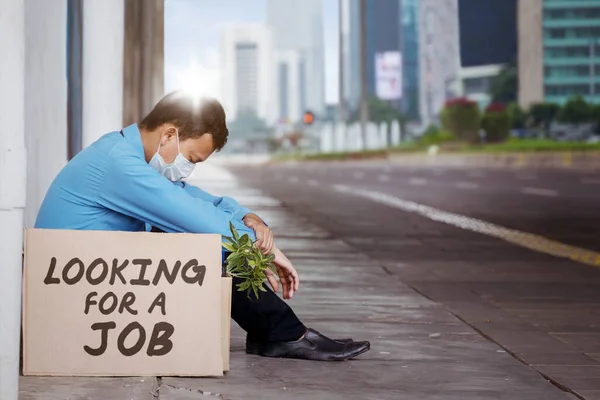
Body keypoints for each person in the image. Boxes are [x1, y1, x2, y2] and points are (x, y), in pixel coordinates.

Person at [35, 91, 370, 362]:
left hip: (92, 276)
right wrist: (260, 246)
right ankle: (282, 334)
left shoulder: (125, 155)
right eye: (191, 159)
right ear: (169, 134)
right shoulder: (119, 165)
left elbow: (195, 199)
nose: (187, 170)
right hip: (73, 291)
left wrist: (248, 217)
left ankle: (277, 333)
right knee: (208, 244)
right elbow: (193, 218)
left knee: (211, 236)